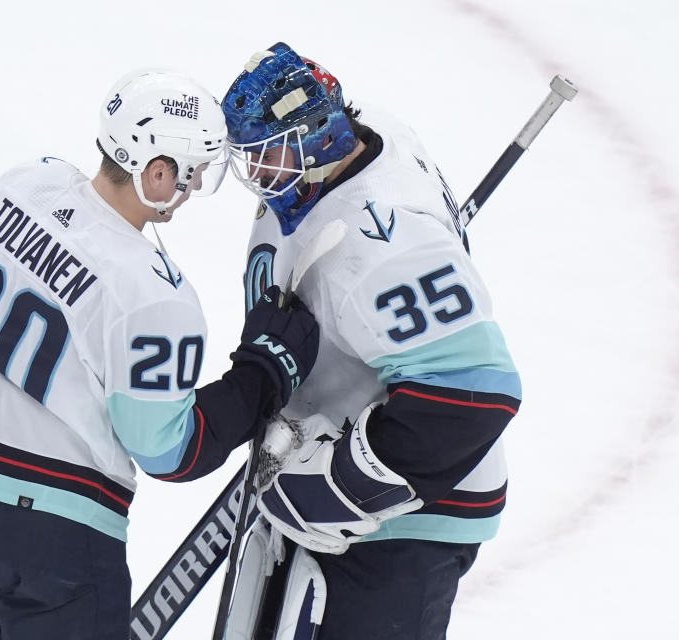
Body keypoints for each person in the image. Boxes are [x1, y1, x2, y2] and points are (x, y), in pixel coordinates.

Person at [0, 68, 320, 639]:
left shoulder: (26, 184)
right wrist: (262, 372)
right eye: (193, 172)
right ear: (157, 172)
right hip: (51, 541)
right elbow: (169, 449)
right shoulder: (154, 292)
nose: (195, 187)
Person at [219, 43, 522, 639]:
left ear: (318, 138)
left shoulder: (383, 250)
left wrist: (340, 486)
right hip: (321, 476)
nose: (256, 175)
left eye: (269, 156)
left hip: (408, 525)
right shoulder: (371, 133)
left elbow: (476, 395)